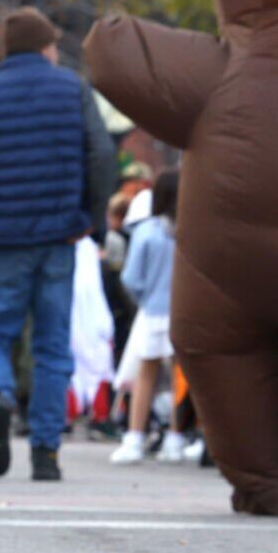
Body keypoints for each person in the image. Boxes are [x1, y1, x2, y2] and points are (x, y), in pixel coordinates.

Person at [0, 7, 116, 481]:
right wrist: (92, 218)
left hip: (0, 237)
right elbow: (101, 155)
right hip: (60, 233)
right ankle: (46, 452)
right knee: (52, 344)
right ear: (46, 46)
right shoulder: (73, 88)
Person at [110, 169, 180, 464]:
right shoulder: (191, 230)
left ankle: (134, 437)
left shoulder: (147, 232)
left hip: (152, 311)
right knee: (181, 379)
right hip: (183, 312)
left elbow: (131, 278)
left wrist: (143, 300)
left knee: (145, 376)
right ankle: (177, 438)